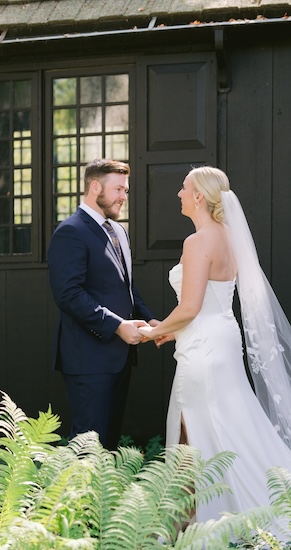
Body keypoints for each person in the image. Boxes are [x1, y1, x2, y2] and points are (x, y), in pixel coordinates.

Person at [138, 166, 291, 537]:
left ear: (198, 196)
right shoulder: (228, 236)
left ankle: (189, 523)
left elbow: (191, 307)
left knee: (190, 430)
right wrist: (169, 332)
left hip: (204, 347)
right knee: (224, 425)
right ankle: (190, 519)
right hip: (222, 339)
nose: (178, 194)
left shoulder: (197, 242)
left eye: (183, 189)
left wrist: (153, 332)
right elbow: (207, 304)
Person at [48, 158, 158, 450]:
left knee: (106, 445)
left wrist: (150, 320)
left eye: (126, 190)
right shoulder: (71, 231)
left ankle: (98, 497)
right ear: (94, 187)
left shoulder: (118, 231)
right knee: (89, 444)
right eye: (118, 189)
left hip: (118, 356)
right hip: (88, 357)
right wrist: (117, 326)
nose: (124, 196)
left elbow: (125, 285)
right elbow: (68, 294)